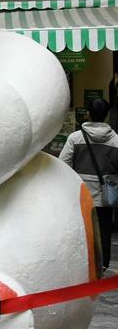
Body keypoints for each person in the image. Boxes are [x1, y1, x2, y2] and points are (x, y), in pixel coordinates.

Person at [61, 97, 118, 268]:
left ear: (88, 114)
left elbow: (63, 163)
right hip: (107, 196)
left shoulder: (75, 138)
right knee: (104, 231)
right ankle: (103, 265)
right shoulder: (116, 141)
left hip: (81, 195)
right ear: (106, 115)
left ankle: (84, 266)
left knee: (83, 232)